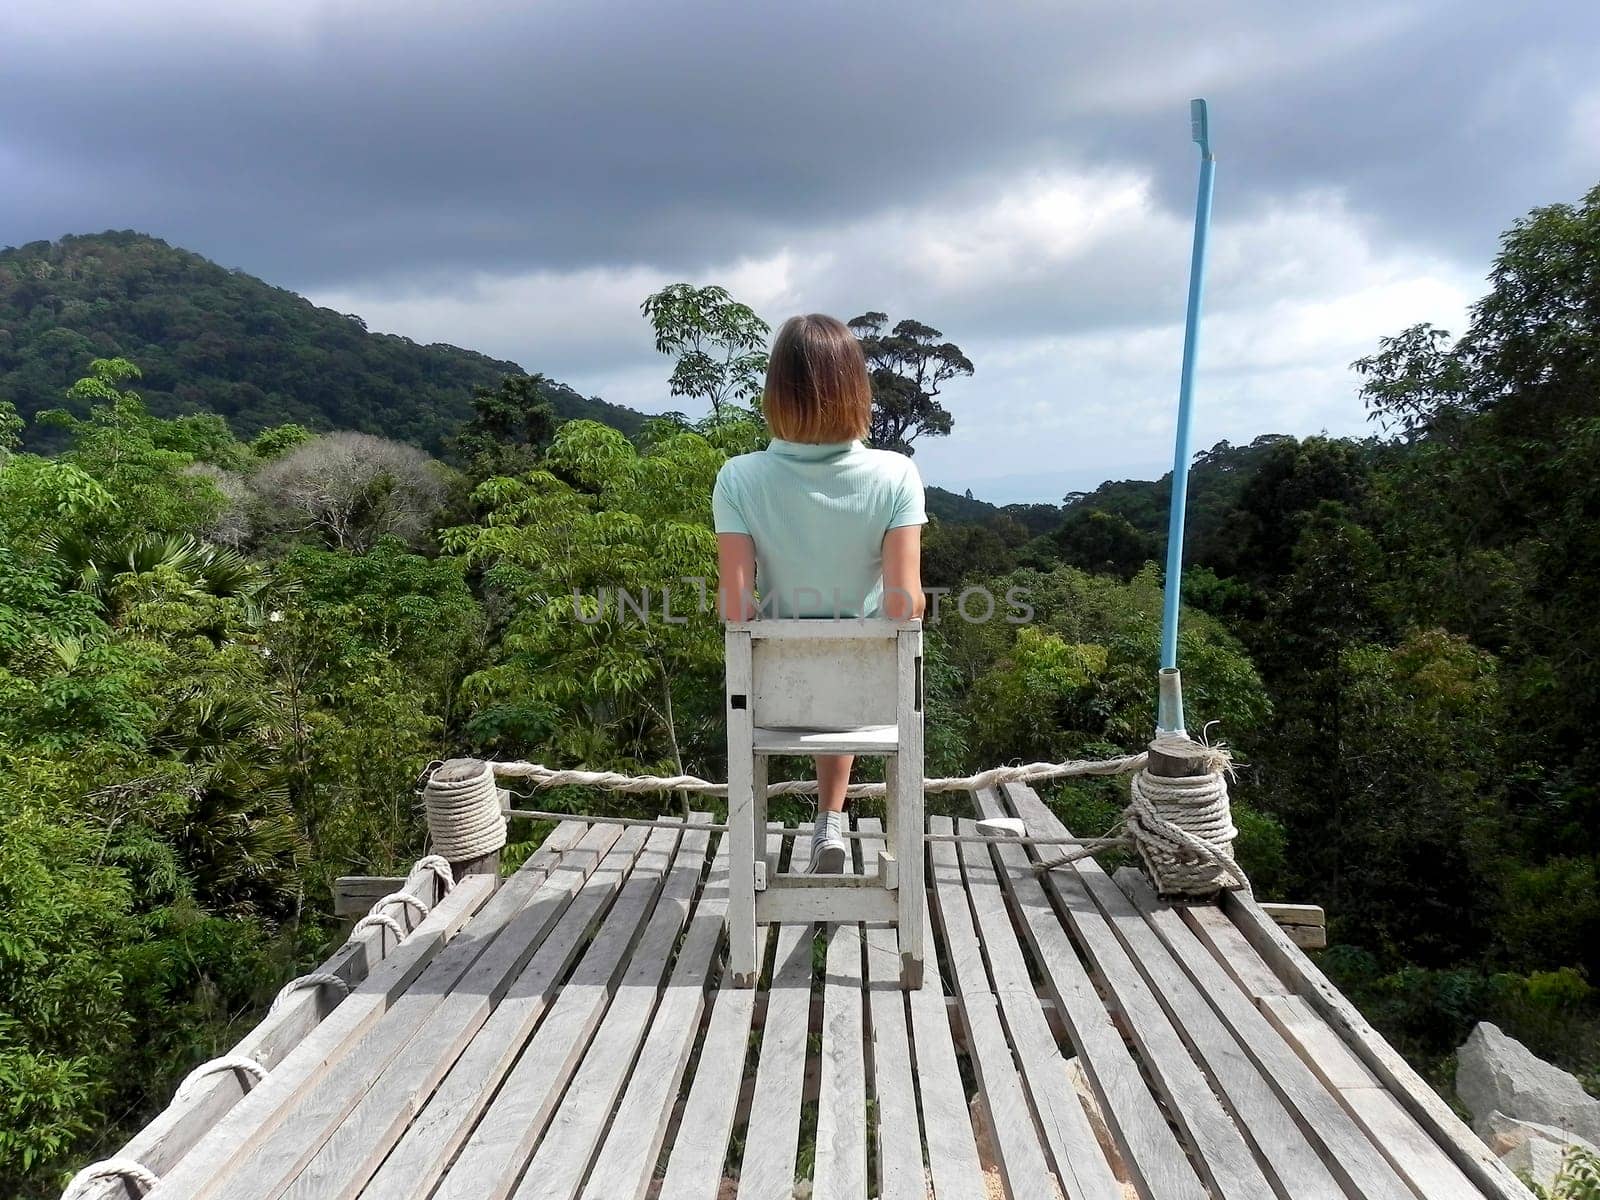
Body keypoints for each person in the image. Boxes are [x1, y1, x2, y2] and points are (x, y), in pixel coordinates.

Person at [712, 313, 927, 873]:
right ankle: (829, 820)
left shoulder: (738, 477)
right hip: (870, 694)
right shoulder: (897, 474)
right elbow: (905, 603)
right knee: (847, 670)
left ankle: (816, 826)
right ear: (854, 388)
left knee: (820, 672)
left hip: (772, 693)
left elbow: (735, 606)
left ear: (776, 391)